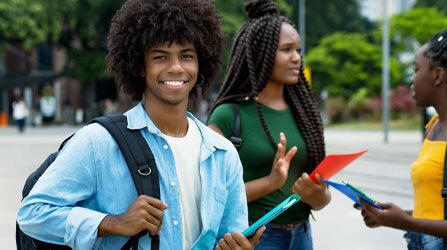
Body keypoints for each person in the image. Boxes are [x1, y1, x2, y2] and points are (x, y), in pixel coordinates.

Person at [17, 0, 263, 249]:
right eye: (160, 57)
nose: (176, 67)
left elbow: (230, 234)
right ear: (139, 66)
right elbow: (32, 213)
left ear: (201, 63)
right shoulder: (98, 142)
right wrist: (113, 223)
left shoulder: (222, 153)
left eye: (186, 56)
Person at [356, 22, 447, 249]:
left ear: (437, 76)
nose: (412, 79)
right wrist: (389, 217)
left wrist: (405, 221)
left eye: (416, 69)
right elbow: (437, 211)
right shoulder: (435, 125)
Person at [207, 0, 330, 249]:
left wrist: (316, 195)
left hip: (302, 235)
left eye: (299, 50)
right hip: (256, 238)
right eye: (287, 50)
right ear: (259, 53)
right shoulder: (228, 116)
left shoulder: (305, 114)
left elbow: (321, 198)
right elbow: (210, 196)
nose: (297, 58)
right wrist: (271, 182)